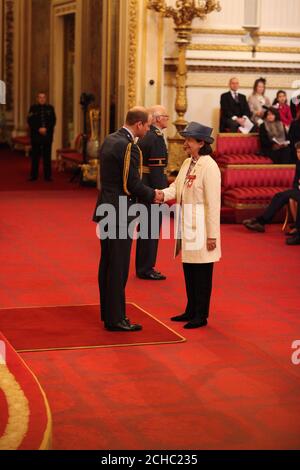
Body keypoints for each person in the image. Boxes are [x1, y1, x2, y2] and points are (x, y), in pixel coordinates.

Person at [93, 107, 159, 332]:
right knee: (118, 267)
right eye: (148, 125)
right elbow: (132, 184)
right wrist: (154, 194)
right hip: (120, 211)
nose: (149, 129)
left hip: (105, 207)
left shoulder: (110, 139)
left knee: (108, 263)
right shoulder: (129, 146)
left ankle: (108, 313)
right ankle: (116, 319)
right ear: (138, 124)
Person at [155, 122, 221, 329]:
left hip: (202, 228)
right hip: (188, 226)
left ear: (201, 143)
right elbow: (176, 188)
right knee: (190, 270)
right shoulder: (187, 163)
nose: (185, 144)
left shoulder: (209, 167)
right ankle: (191, 309)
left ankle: (201, 315)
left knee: (202, 273)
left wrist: (212, 235)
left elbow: (213, 203)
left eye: (189, 140)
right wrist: (159, 195)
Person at [242, 141, 300, 246]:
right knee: (280, 196)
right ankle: (262, 222)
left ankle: (297, 232)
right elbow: (296, 182)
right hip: (298, 190)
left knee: (293, 198)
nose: (299, 154)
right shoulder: (299, 163)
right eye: (298, 152)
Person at [135, 105, 169, 280]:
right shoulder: (155, 138)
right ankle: (146, 268)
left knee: (146, 228)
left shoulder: (148, 135)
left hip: (144, 185)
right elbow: (157, 169)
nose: (168, 118)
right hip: (152, 187)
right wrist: (160, 193)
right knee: (151, 229)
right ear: (157, 119)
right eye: (165, 116)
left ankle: (143, 266)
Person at [27, 92, 56, 181]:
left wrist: (46, 129)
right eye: (40, 97)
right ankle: (33, 176)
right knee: (35, 156)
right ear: (37, 99)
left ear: (46, 98)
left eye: (43, 97)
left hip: (47, 136)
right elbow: (30, 120)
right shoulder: (33, 108)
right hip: (36, 135)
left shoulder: (50, 108)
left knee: (47, 157)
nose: (42, 99)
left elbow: (53, 121)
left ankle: (48, 176)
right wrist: (38, 129)